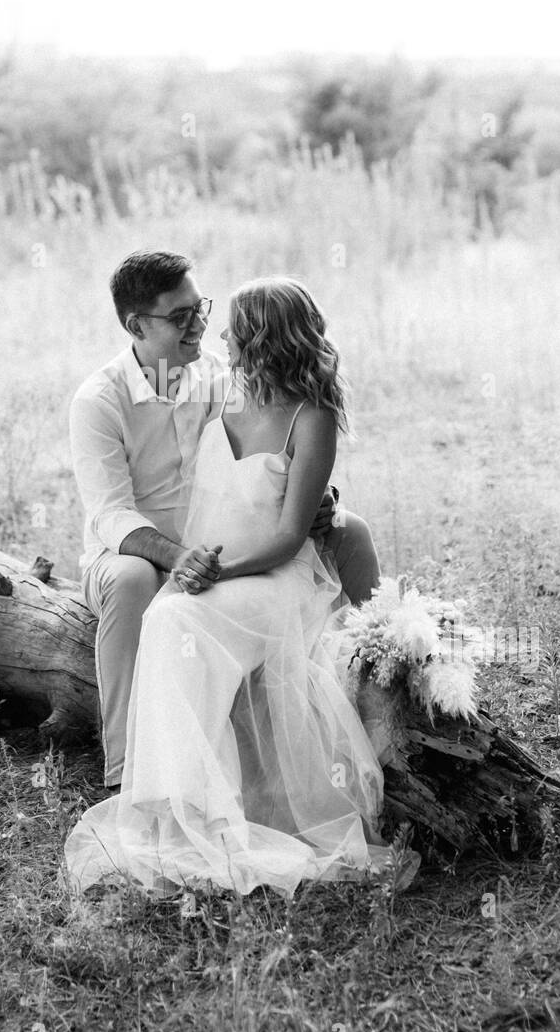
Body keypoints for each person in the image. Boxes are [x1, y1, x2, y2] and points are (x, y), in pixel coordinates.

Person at [65, 274, 418, 897]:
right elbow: (111, 513)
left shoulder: (272, 401)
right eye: (184, 317)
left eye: (213, 316)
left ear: (261, 339)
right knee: (161, 612)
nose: (207, 328)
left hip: (266, 571)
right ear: (137, 326)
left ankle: (197, 806)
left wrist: (315, 504)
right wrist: (186, 563)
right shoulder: (108, 399)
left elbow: (286, 526)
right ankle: (161, 796)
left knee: (177, 619)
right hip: (165, 553)